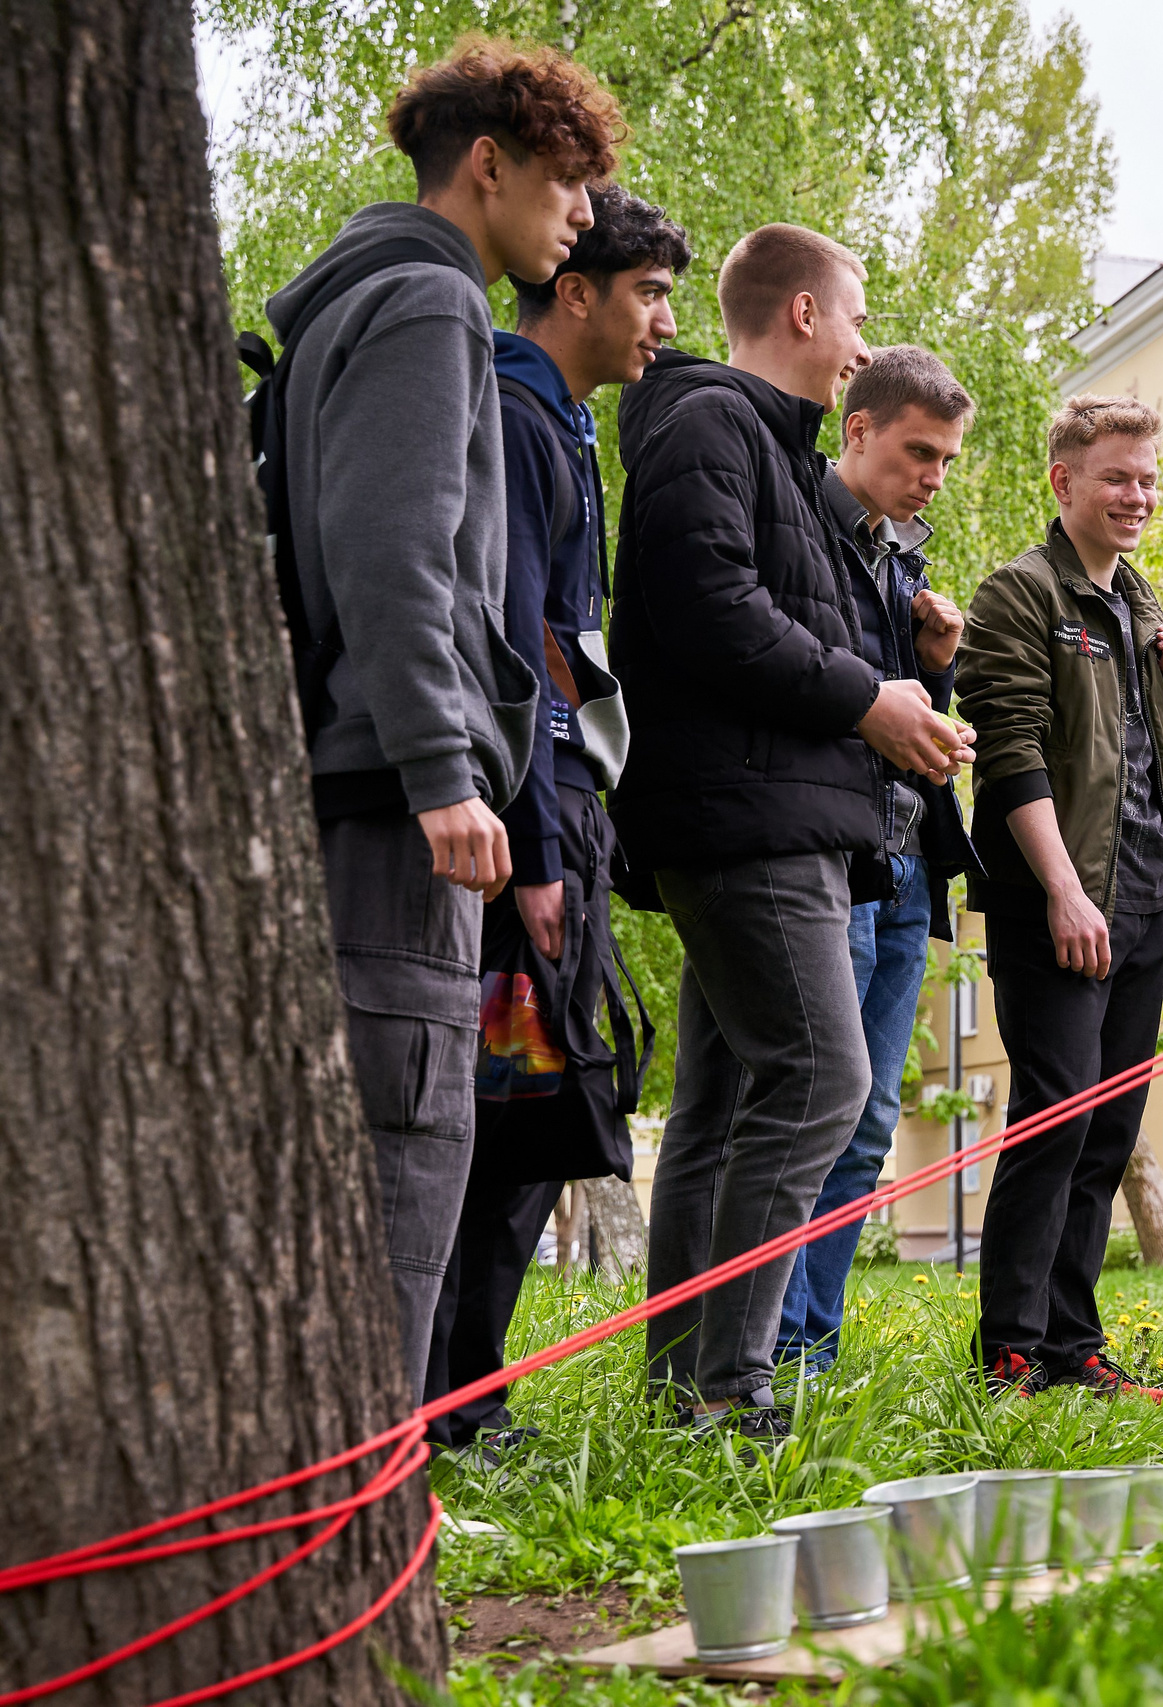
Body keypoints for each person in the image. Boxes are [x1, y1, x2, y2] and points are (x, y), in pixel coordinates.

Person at [264, 40, 620, 1400]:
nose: (578, 213)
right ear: (490, 167)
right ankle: (372, 1496)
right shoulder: (424, 306)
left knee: (383, 1154)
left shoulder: (366, 296)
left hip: (365, 795)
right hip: (396, 810)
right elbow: (397, 554)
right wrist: (443, 772)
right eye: (566, 181)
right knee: (406, 1161)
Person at [613, 225, 970, 1438]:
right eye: (856, 318)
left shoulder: (770, 451)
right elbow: (709, 606)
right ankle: (733, 1387)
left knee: (723, 1106)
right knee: (823, 1078)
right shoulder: (710, 421)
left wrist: (901, 686)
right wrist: (869, 702)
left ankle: (684, 1389)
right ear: (806, 314)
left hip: (768, 810)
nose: (862, 345)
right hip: (742, 816)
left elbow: (792, 627)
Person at [423, 184, 691, 1457]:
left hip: (566, 818)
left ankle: (467, 1393)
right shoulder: (523, 417)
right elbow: (522, 642)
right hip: (533, 833)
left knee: (526, 1119)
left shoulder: (567, 424)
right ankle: (455, 1405)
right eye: (645, 296)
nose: (660, 326)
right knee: (513, 1118)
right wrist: (536, 848)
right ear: (575, 291)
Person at [957, 396, 1163, 1400]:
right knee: (1054, 1115)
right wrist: (1063, 891)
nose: (1136, 495)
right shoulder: (1018, 594)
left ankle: (1072, 1344)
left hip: (1144, 898)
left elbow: (1139, 759)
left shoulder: (1139, 601)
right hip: (1055, 900)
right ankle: (1011, 1349)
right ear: (1064, 482)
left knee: (1106, 1131)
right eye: (1117, 477)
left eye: (1147, 478)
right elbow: (1010, 752)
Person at [776, 347, 986, 1374]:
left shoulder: (902, 558)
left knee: (866, 1121)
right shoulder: (804, 532)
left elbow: (895, 721)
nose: (932, 477)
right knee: (817, 1103)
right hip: (835, 857)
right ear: (856, 431)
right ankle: (770, 1346)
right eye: (918, 453)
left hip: (908, 865)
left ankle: (814, 1343)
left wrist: (937, 677)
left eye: (945, 459)